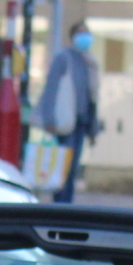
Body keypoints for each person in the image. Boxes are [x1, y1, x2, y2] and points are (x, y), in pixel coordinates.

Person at [36, 23, 101, 205]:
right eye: (81, 33)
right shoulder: (64, 59)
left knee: (72, 167)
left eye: (87, 33)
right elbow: (51, 89)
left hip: (81, 121)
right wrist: (48, 119)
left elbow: (92, 97)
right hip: (65, 122)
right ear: (72, 37)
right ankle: (61, 203)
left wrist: (93, 127)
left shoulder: (90, 62)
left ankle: (66, 202)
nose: (85, 37)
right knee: (64, 166)